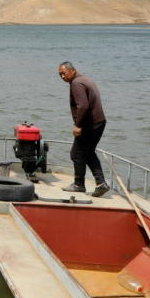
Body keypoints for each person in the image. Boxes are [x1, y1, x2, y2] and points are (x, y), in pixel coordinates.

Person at [58, 62, 109, 197]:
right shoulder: (85, 79)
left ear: (73, 70)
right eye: (60, 74)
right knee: (88, 153)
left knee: (76, 154)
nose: (62, 76)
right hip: (99, 122)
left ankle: (79, 185)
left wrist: (78, 125)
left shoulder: (76, 83)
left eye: (64, 73)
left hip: (90, 125)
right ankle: (101, 183)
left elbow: (83, 106)